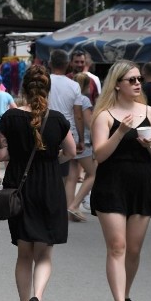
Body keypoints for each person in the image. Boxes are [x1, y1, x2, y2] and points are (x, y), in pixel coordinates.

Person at [0, 64, 76, 301]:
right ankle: (37, 298)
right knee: (44, 253)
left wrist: (16, 151)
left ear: (23, 88)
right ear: (47, 88)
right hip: (49, 188)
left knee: (24, 254)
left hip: (19, 190)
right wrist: (51, 158)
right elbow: (71, 151)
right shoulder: (58, 119)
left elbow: (0, 156)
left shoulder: (9, 118)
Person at [90, 60, 151, 301]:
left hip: (140, 184)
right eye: (131, 80)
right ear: (117, 84)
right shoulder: (105, 115)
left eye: (139, 79)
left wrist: (150, 143)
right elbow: (100, 154)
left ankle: (126, 295)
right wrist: (121, 132)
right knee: (117, 247)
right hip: (111, 184)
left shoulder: (149, 112)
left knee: (133, 249)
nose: (137, 84)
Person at [47, 49, 84, 182]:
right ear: (67, 64)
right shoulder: (74, 86)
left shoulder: (44, 82)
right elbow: (78, 115)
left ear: (50, 63)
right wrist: (81, 139)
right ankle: (58, 199)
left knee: (45, 168)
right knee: (62, 176)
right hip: (66, 132)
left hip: (45, 129)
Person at [65, 72, 96, 222]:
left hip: (69, 138)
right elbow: (88, 122)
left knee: (71, 177)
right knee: (92, 173)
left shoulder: (70, 97)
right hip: (82, 141)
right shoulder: (84, 100)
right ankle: (75, 205)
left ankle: (70, 209)